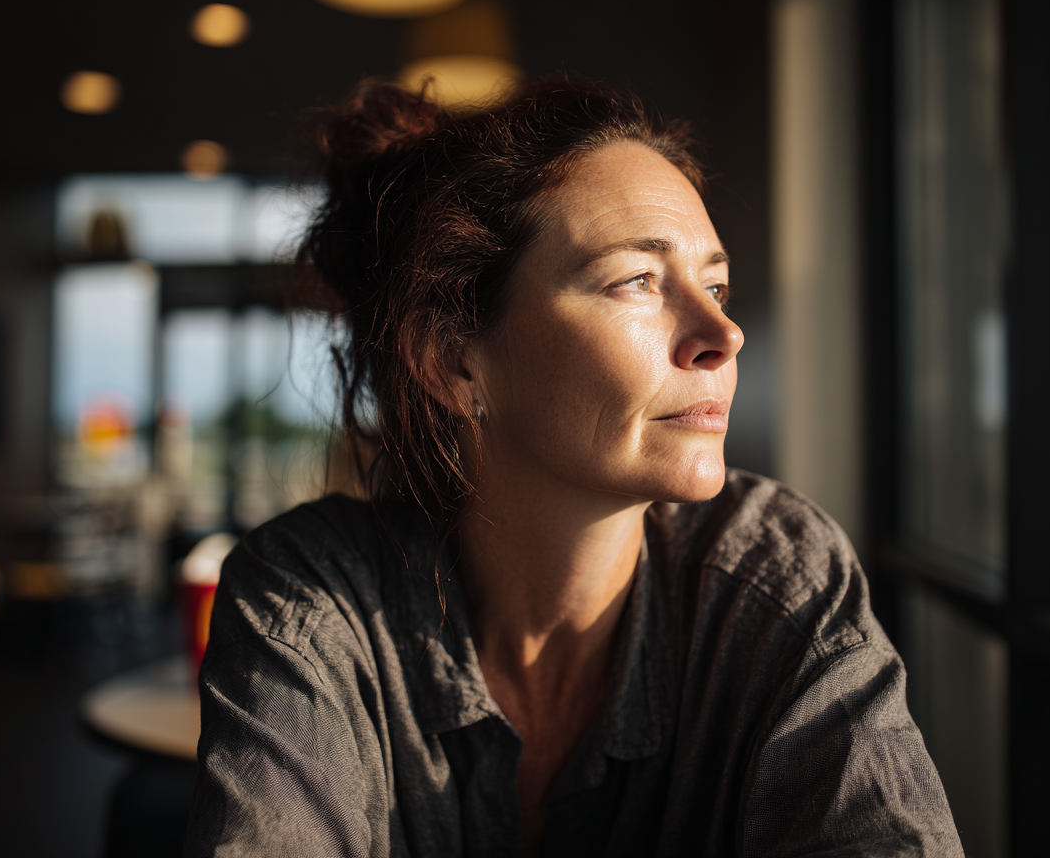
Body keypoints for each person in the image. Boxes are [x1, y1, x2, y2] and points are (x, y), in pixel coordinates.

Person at [183, 77, 964, 857]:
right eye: (637, 281)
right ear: (454, 360)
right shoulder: (313, 597)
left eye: (716, 285)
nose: (723, 334)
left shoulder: (777, 577)